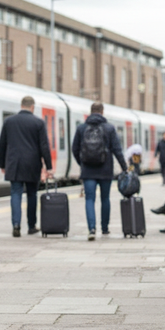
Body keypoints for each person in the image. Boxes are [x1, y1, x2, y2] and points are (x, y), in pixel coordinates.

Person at [0, 95, 53, 237]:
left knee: (15, 193)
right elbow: (44, 147)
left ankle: (16, 225)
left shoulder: (9, 121)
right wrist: (49, 166)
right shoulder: (38, 123)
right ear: (32, 107)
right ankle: (31, 226)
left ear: (21, 105)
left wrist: (2, 164)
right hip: (32, 164)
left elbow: (2, 144)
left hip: (14, 164)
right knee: (32, 195)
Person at [72, 102, 127, 241]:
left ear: (90, 112)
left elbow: (75, 149)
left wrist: (82, 163)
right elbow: (117, 150)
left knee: (89, 199)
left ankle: (91, 229)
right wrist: (124, 167)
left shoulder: (81, 128)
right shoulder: (109, 128)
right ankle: (105, 228)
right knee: (105, 199)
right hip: (105, 169)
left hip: (88, 170)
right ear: (102, 112)